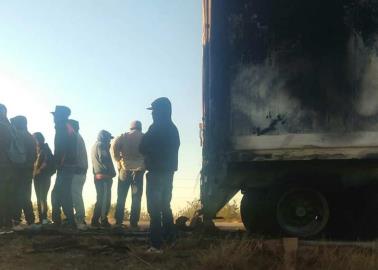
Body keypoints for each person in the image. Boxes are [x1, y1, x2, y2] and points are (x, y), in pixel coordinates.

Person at [140, 97, 180, 253]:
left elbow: (142, 147)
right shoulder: (173, 128)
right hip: (168, 173)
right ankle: (170, 240)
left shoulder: (155, 128)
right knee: (165, 206)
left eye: (154, 111)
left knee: (154, 209)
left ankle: (156, 245)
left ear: (159, 112)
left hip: (155, 172)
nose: (152, 114)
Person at [113, 121, 145, 229]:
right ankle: (133, 222)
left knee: (121, 196)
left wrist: (118, 159)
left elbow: (113, 146)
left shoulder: (123, 136)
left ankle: (118, 221)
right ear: (140, 127)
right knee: (136, 197)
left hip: (125, 169)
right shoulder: (144, 136)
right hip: (139, 170)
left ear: (130, 127)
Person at [51, 106, 77, 228]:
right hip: (69, 165)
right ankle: (71, 221)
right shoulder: (69, 127)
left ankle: (56, 220)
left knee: (56, 193)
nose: (53, 119)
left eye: (55, 116)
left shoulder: (62, 128)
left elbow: (61, 148)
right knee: (65, 193)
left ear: (59, 117)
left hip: (64, 165)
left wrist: (57, 163)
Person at [10, 116, 37, 227]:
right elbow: (35, 156)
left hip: (19, 170)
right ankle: (30, 220)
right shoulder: (30, 136)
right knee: (26, 195)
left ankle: (16, 220)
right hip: (28, 170)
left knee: (18, 195)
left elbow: (14, 155)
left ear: (18, 124)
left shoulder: (18, 135)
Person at [91, 130, 116, 228]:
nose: (109, 141)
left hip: (98, 175)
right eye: (108, 138)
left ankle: (95, 220)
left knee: (100, 198)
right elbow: (104, 158)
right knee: (104, 199)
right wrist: (111, 173)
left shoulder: (95, 145)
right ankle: (103, 219)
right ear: (104, 137)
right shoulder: (101, 145)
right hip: (104, 176)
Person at [68, 119, 88, 230]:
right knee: (75, 195)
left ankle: (80, 219)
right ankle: (77, 218)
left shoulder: (74, 137)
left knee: (75, 195)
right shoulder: (78, 136)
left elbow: (72, 156)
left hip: (77, 171)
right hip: (80, 171)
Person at [33, 132, 55, 225]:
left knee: (42, 198)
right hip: (38, 177)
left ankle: (44, 218)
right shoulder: (39, 150)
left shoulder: (45, 150)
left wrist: (38, 171)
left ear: (38, 140)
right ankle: (42, 219)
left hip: (43, 177)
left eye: (34, 139)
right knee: (39, 198)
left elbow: (46, 163)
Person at [0, 104, 13, 229]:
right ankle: (7, 222)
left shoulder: (3, 126)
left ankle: (3, 224)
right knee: (7, 193)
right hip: (9, 164)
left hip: (2, 163)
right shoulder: (10, 126)